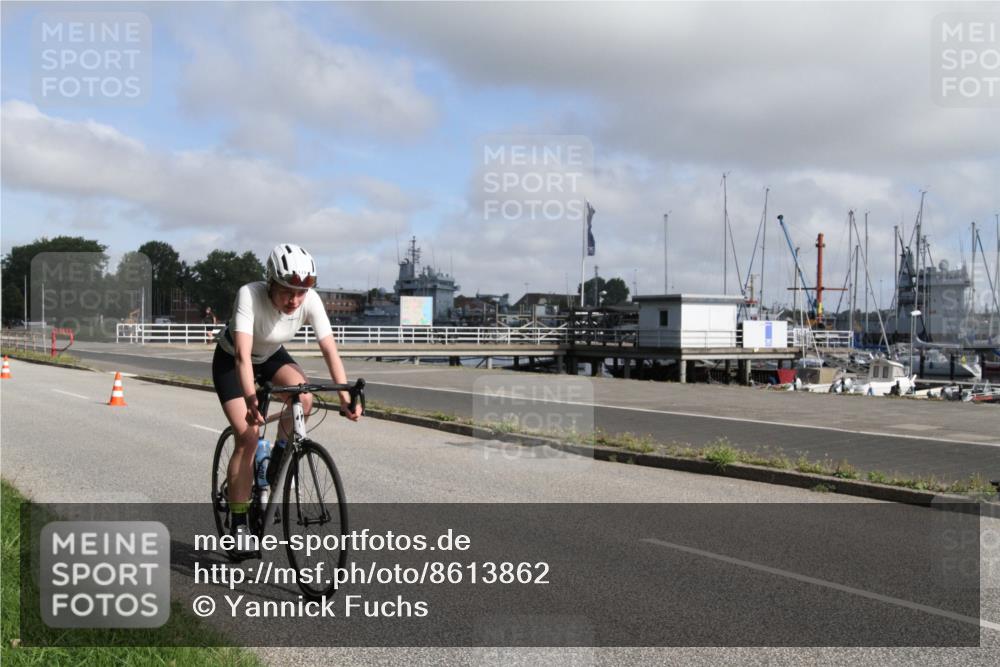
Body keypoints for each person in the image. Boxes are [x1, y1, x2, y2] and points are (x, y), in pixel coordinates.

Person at [212, 243, 361, 550]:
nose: (294, 300)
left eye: (300, 293)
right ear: (270, 283)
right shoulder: (249, 294)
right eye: (286, 292)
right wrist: (251, 400)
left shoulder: (310, 300)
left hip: (270, 356)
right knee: (249, 436)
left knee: (303, 399)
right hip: (232, 360)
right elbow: (241, 356)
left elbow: (329, 349)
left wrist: (345, 396)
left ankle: (273, 467)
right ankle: (239, 522)